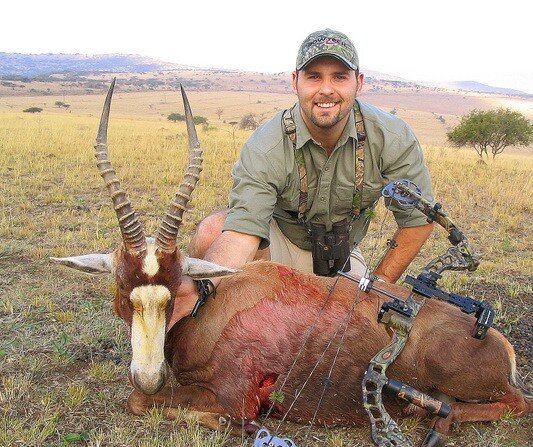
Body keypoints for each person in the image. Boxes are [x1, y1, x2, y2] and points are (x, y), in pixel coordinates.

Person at [169, 28, 435, 328]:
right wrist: (201, 285)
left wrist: (379, 284)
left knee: (362, 332)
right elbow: (243, 230)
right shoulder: (266, 144)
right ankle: (210, 323)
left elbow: (416, 220)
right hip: (281, 246)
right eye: (314, 76)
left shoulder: (391, 137)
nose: (326, 90)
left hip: (344, 252)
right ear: (295, 81)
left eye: (339, 76)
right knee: (212, 231)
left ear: (358, 83)